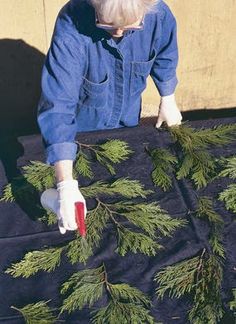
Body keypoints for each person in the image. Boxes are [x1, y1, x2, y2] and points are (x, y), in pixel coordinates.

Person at [37, 0, 182, 234]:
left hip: (128, 119)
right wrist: (65, 184)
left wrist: (168, 96)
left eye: (130, 28)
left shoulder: (158, 15)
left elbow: (165, 54)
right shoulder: (72, 22)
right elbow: (58, 102)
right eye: (106, 25)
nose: (118, 32)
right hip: (82, 130)